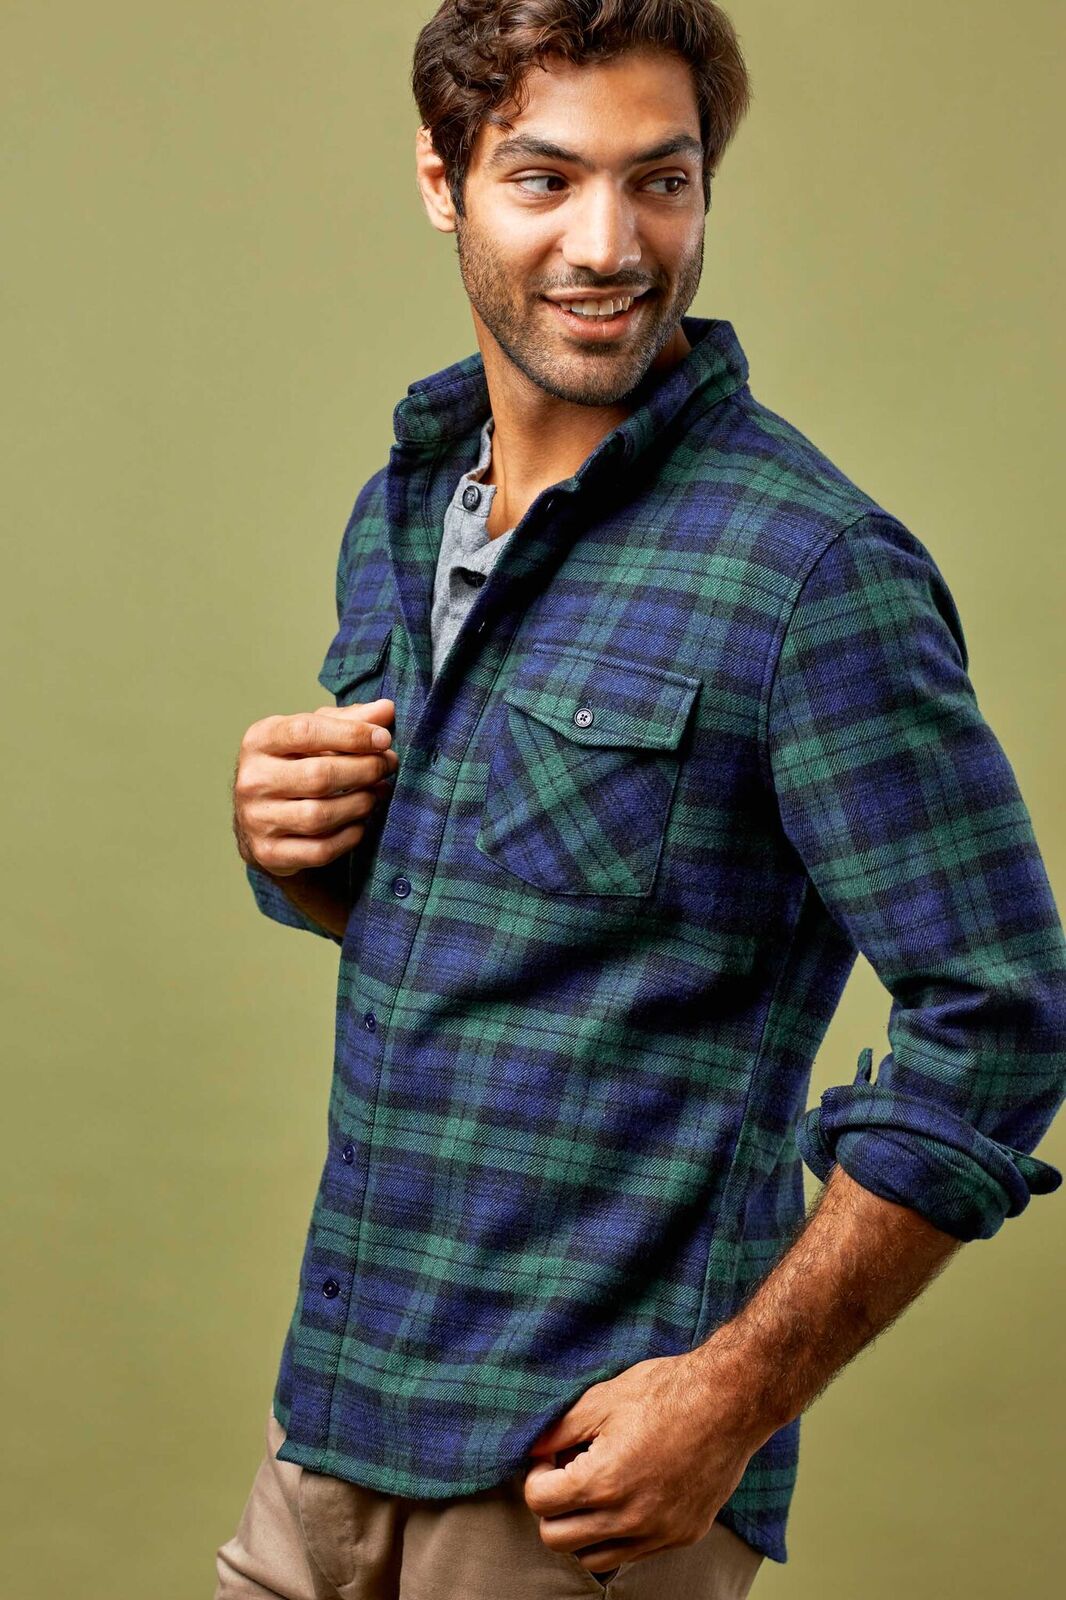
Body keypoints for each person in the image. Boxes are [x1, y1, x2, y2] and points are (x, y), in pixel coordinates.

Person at [218, 3, 1066, 1596]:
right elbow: (483, 920)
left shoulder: (811, 573)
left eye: (659, 182)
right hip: (328, 1423)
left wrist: (734, 1399)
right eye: (544, 179)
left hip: (569, 1486)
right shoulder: (407, 503)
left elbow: (1004, 1015)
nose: (609, 245)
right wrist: (296, 851)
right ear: (442, 182)